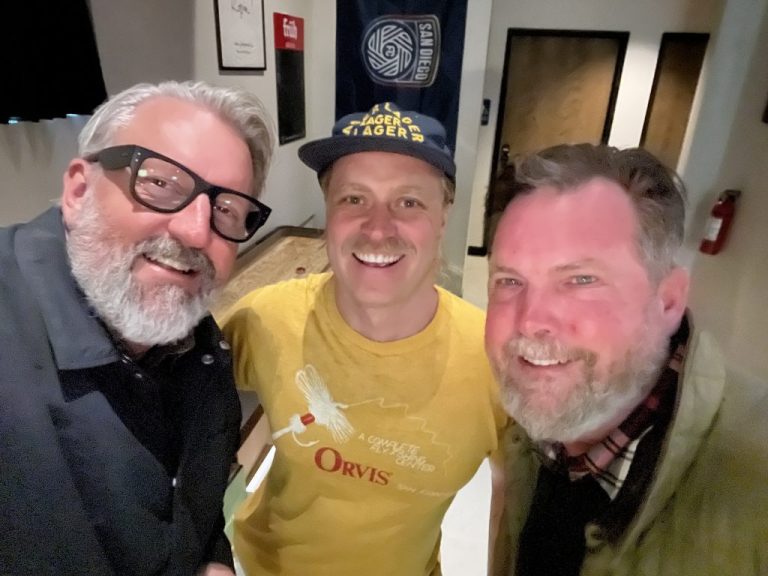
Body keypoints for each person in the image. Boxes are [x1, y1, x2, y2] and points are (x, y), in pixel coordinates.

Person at [0, 80, 274, 576]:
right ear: (79, 190)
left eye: (226, 210)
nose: (196, 231)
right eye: (161, 183)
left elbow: (189, 508)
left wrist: (211, 559)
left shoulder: (201, 348)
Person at [222, 102, 507, 575]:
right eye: (354, 199)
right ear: (328, 211)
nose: (377, 229)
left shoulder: (494, 359)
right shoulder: (265, 319)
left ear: (444, 215)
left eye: (409, 202)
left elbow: (512, 502)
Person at [485, 143, 768, 576]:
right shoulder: (532, 429)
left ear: (668, 300)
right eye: (509, 280)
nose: (530, 321)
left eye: (581, 279)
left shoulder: (755, 486)